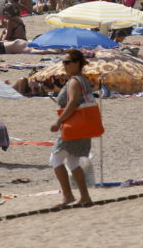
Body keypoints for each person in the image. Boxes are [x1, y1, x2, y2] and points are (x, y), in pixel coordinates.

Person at [49, 49, 95, 206]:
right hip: (83, 125)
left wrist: (58, 121)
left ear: (77, 63)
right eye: (63, 62)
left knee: (55, 158)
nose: (64, 65)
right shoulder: (82, 80)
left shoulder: (74, 81)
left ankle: (68, 195)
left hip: (74, 125)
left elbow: (73, 102)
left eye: (67, 62)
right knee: (73, 161)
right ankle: (84, 196)